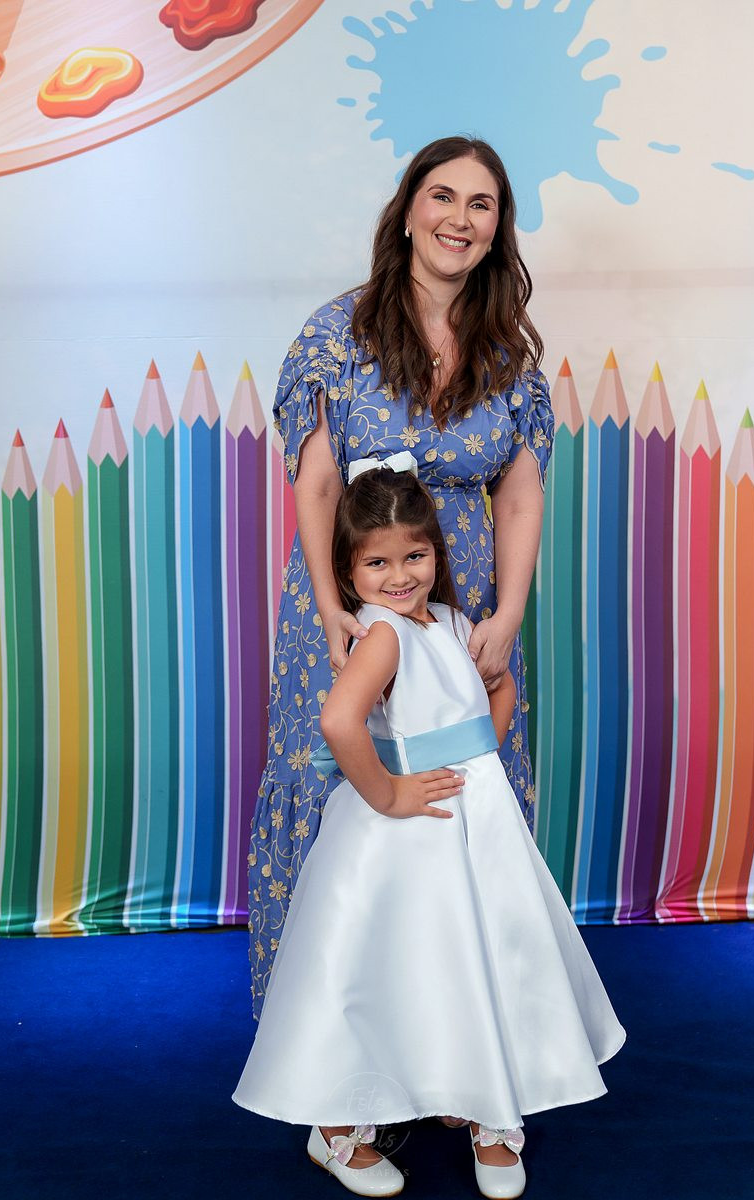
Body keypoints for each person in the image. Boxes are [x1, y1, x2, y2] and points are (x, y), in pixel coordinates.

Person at [234, 463, 625, 1198]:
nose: (399, 576)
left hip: (475, 821)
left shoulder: (450, 623)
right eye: (377, 563)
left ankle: (483, 1100)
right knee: (392, 962)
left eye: (414, 556)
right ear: (349, 572)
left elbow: (492, 699)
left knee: (478, 952)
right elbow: (339, 721)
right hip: (409, 830)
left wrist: (485, 741)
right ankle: (337, 1126)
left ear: (436, 553)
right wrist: (388, 794)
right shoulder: (381, 635)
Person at [248, 135, 555, 1019]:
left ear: (497, 229)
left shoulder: (508, 354)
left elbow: (520, 498)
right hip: (349, 601)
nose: (460, 218)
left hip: (463, 610)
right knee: (341, 789)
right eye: (442, 196)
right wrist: (328, 608)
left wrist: (508, 615)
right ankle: (328, 1032)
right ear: (409, 211)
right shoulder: (337, 334)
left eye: (481, 204)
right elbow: (317, 485)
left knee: (460, 790)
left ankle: (463, 1030)